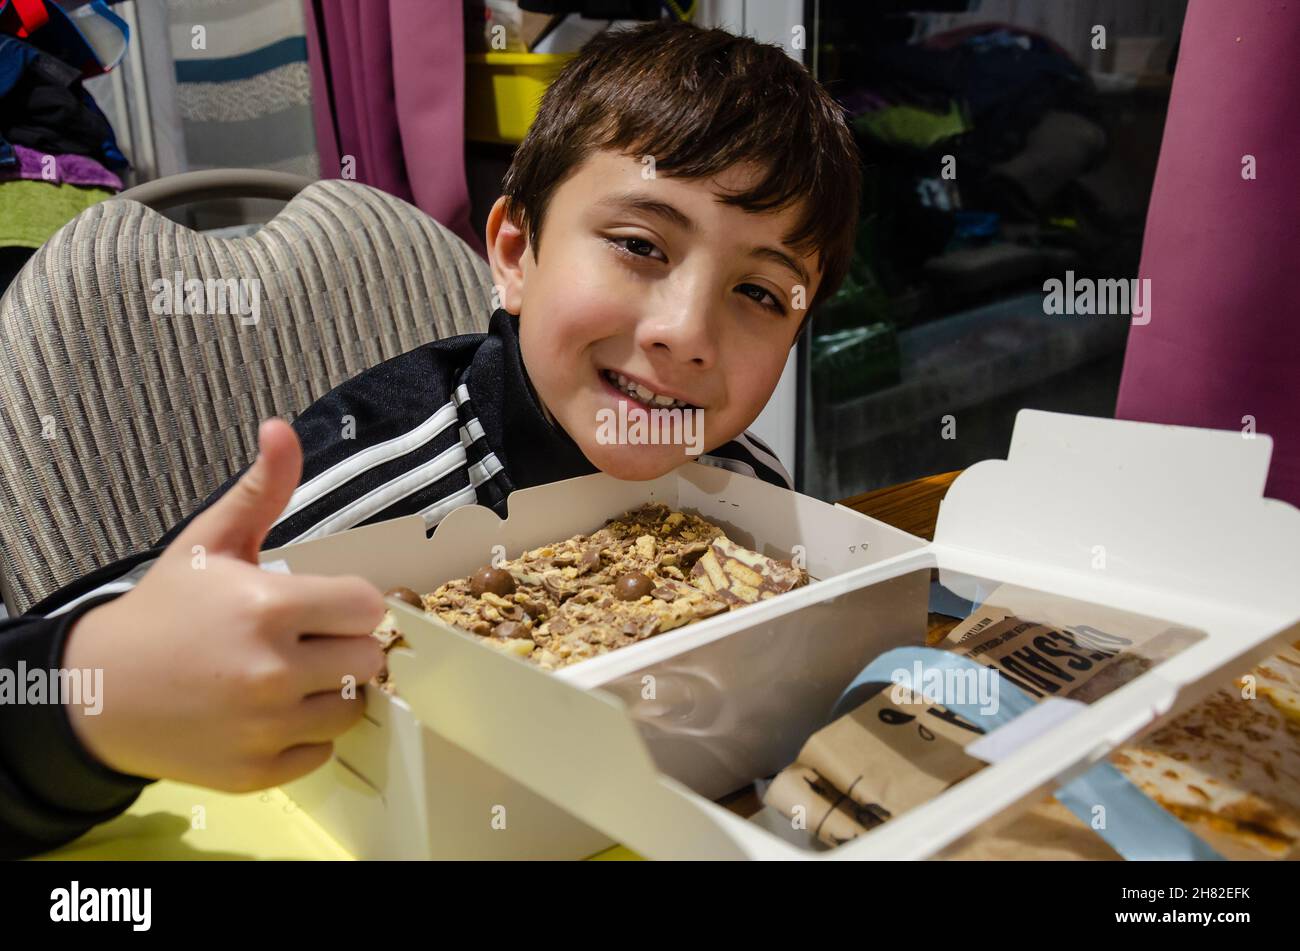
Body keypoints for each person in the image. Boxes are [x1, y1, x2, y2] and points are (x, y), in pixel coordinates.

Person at [0, 18, 862, 857]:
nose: (688, 331)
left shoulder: (738, 481)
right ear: (517, 253)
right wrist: (98, 701)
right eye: (640, 244)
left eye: (759, 294)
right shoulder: (371, 488)